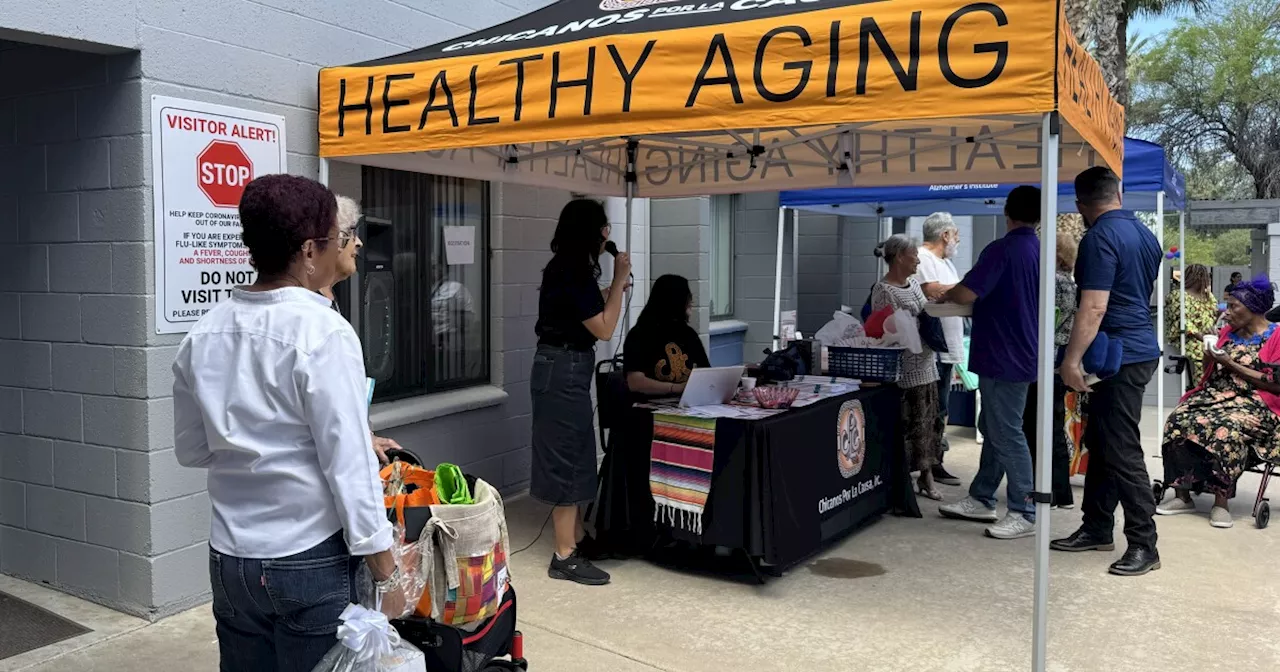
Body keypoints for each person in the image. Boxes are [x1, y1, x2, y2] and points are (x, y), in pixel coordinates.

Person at [173, 175, 403, 670]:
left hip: (230, 559)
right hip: (305, 558)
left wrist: (251, 446)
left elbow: (191, 450)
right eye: (333, 239)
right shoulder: (323, 332)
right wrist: (384, 566)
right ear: (308, 251)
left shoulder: (203, 332)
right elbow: (348, 463)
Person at [1055, 166, 1163, 577]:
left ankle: (1144, 543)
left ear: (1082, 204)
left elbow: (1095, 306)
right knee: (1101, 441)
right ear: (1116, 194)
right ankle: (1097, 527)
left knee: (1121, 449)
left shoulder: (1099, 237)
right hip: (1136, 350)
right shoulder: (1144, 234)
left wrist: (1071, 360)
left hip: (1118, 355)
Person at [531, 198, 630, 586]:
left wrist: (608, 287)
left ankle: (577, 537)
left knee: (578, 449)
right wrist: (620, 280)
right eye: (603, 227)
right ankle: (564, 555)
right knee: (567, 451)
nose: (607, 233)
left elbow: (588, 312)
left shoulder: (571, 269)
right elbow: (605, 329)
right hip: (562, 367)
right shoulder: (572, 269)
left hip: (565, 365)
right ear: (590, 230)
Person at [937, 186, 1041, 540]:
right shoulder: (1038, 249)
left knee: (1007, 431)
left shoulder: (1002, 249)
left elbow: (967, 293)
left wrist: (947, 292)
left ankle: (1025, 510)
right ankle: (982, 497)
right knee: (994, 425)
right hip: (1022, 351)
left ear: (1007, 213)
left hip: (1002, 354)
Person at [1157, 277, 1280, 528]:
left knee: (1225, 428)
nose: (1226, 312)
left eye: (1234, 306)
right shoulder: (1226, 333)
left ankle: (1220, 503)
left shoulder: (1276, 337)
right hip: (1216, 395)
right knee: (1178, 420)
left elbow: (1274, 383)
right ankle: (1182, 495)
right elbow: (1210, 371)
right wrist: (1207, 352)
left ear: (1254, 307)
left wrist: (1230, 363)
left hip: (1256, 402)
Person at [322, 194, 402, 465]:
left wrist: (365, 436)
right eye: (351, 233)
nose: (358, 242)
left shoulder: (330, 304)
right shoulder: (314, 323)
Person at [871, 235, 943, 501]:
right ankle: (907, 480)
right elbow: (882, 330)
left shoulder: (913, 284)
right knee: (909, 427)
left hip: (926, 363)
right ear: (900, 256)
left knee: (928, 425)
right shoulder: (883, 290)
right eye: (914, 254)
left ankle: (926, 476)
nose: (918, 259)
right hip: (904, 369)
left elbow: (923, 312)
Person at [1021, 231, 1079, 509]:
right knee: (1052, 426)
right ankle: (1061, 491)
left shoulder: (1053, 283)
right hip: (1057, 360)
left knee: (1037, 425)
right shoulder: (1069, 282)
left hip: (1044, 360)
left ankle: (1047, 490)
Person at [913, 212, 964, 487]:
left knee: (942, 410)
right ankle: (929, 467)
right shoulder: (923, 259)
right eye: (956, 234)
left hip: (948, 349)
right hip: (933, 349)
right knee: (933, 409)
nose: (958, 239)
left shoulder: (947, 263)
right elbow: (931, 291)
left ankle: (936, 461)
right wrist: (966, 289)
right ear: (945, 235)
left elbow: (951, 293)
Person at [623, 274, 710, 396]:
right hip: (651, 406)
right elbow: (635, 382)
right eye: (687, 299)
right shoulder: (639, 336)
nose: (691, 304)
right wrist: (675, 388)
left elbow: (706, 372)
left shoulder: (688, 334)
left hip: (687, 403)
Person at [1166, 264, 1219, 387]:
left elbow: (1214, 313)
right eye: (1206, 278)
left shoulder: (1207, 296)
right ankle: (1200, 388)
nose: (1208, 280)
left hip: (1206, 337)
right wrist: (1201, 336)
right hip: (1187, 338)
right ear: (1198, 278)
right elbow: (1182, 322)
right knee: (1203, 354)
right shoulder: (1178, 295)